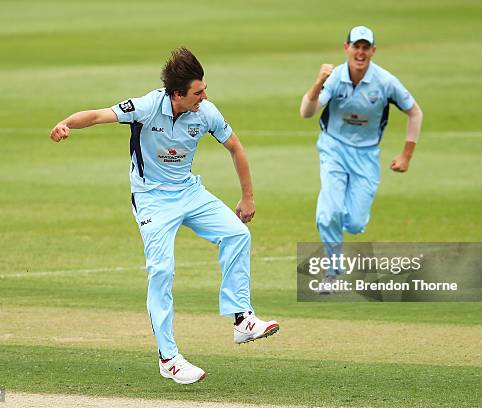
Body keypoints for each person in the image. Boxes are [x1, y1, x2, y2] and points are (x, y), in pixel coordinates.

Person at [49, 47, 279, 384]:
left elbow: (236, 148)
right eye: (197, 92)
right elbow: (99, 115)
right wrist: (65, 124)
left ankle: (242, 319)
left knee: (237, 234)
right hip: (151, 199)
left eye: (204, 89)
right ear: (177, 94)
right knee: (161, 270)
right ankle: (168, 357)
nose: (204, 96)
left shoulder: (206, 112)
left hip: (189, 191)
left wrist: (247, 197)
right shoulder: (145, 107)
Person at [300, 26, 423, 289]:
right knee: (328, 214)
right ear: (346, 48)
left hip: (366, 155)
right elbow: (306, 112)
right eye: (356, 46)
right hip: (333, 149)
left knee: (355, 224)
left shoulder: (385, 82)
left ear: (373, 51)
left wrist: (406, 155)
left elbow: (415, 113)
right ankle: (332, 272)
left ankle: (335, 218)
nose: (360, 52)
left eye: (366, 47)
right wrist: (319, 81)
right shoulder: (334, 79)